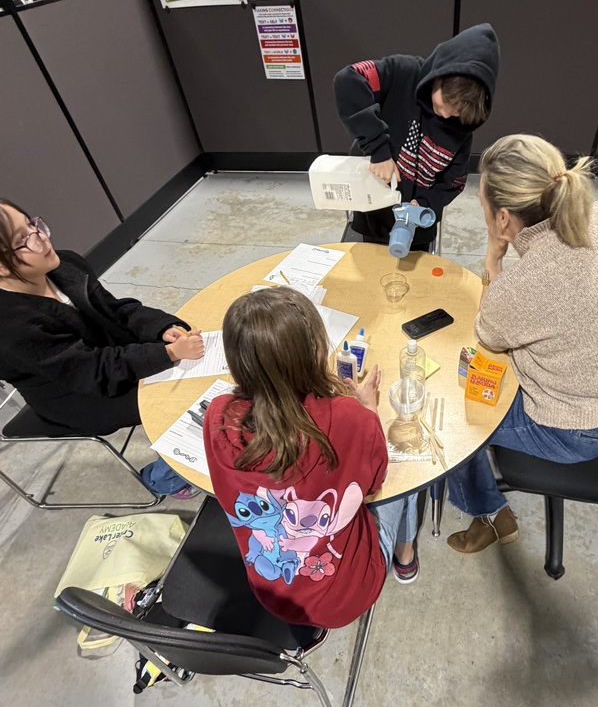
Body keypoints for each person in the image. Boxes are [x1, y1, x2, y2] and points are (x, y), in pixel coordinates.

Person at [446, 134, 598, 554]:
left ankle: (488, 514)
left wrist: (494, 259)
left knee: (451, 415)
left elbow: (488, 333)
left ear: (503, 218)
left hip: (579, 429)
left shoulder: (526, 285)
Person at [203, 287, 420, 630]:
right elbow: (374, 484)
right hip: (349, 593)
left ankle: (403, 557)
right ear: (316, 351)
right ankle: (404, 559)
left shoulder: (218, 416)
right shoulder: (350, 419)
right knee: (413, 475)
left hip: (270, 587)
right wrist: (368, 411)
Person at [0, 198, 205, 496]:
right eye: (24, 240)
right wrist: (167, 354)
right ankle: (168, 474)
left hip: (109, 357)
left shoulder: (64, 265)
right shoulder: (11, 326)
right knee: (182, 393)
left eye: (32, 225)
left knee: (202, 367)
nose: (41, 238)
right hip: (77, 395)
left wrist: (163, 329)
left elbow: (118, 311)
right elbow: (91, 371)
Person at [333, 23, 500, 251]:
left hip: (418, 225)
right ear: (440, 75)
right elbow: (348, 79)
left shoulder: (462, 127)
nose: (447, 114)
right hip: (375, 211)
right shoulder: (402, 72)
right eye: (447, 102)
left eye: (458, 110)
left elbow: (454, 182)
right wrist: (378, 149)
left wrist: (424, 204)